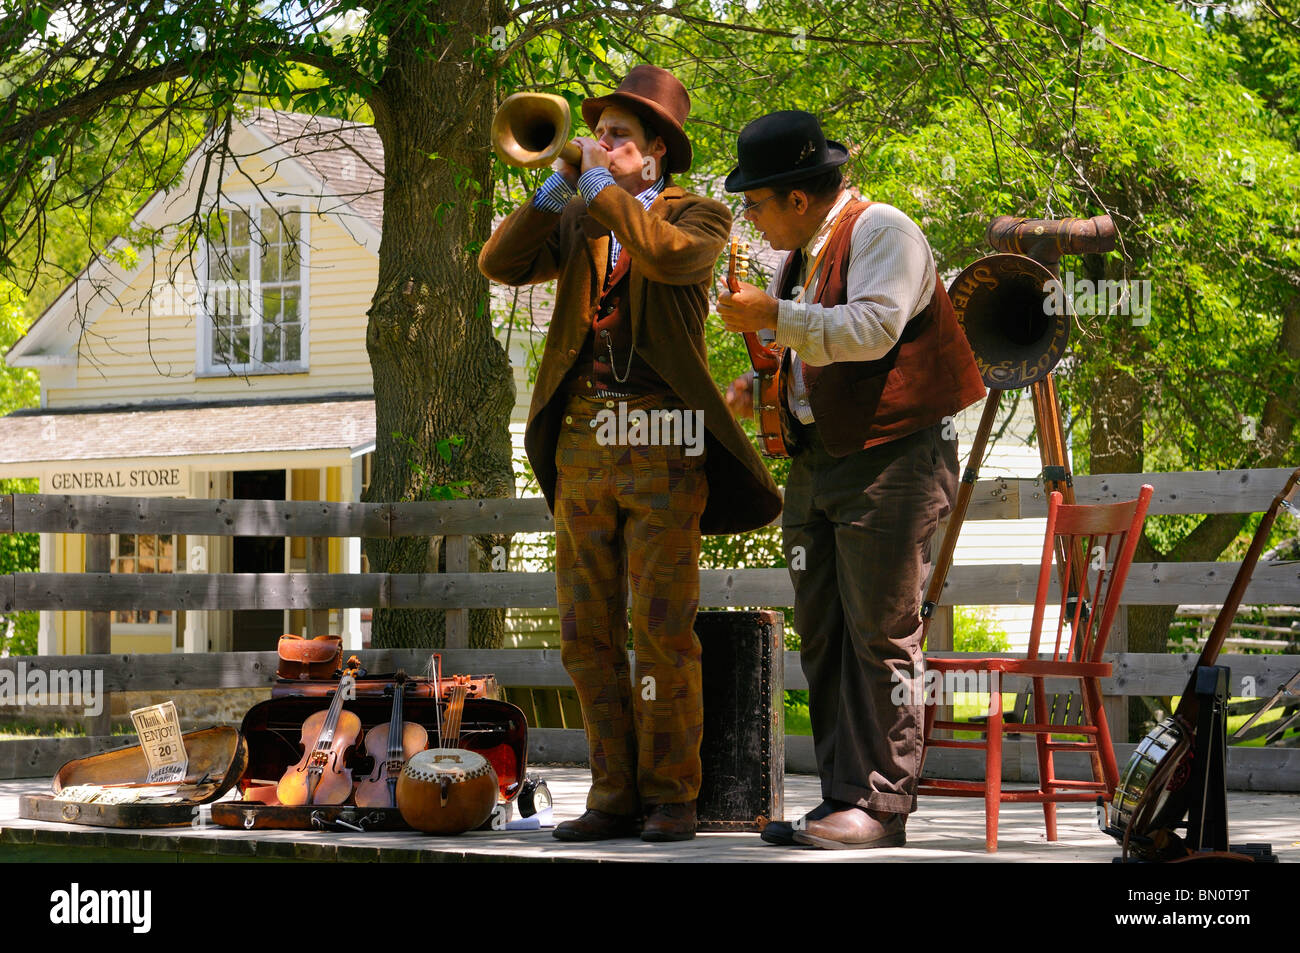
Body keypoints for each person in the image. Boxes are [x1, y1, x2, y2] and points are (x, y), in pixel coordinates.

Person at [479, 66, 781, 842]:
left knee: (661, 629)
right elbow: (500, 264)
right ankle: (612, 794)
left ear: (655, 155)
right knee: (584, 631)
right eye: (600, 132)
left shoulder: (701, 216)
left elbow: (670, 259)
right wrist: (553, 191)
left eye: (619, 137)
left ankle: (673, 794)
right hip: (581, 443)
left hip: (662, 441)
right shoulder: (582, 213)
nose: (601, 145)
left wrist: (600, 190)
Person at [717, 110, 986, 849]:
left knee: (884, 632)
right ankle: (842, 797)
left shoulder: (883, 232)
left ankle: (884, 801)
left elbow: (871, 330)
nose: (750, 215)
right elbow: (815, 346)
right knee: (827, 629)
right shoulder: (803, 253)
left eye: (756, 202)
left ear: (796, 199)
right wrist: (759, 381)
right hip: (821, 460)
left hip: (893, 459)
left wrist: (774, 313)